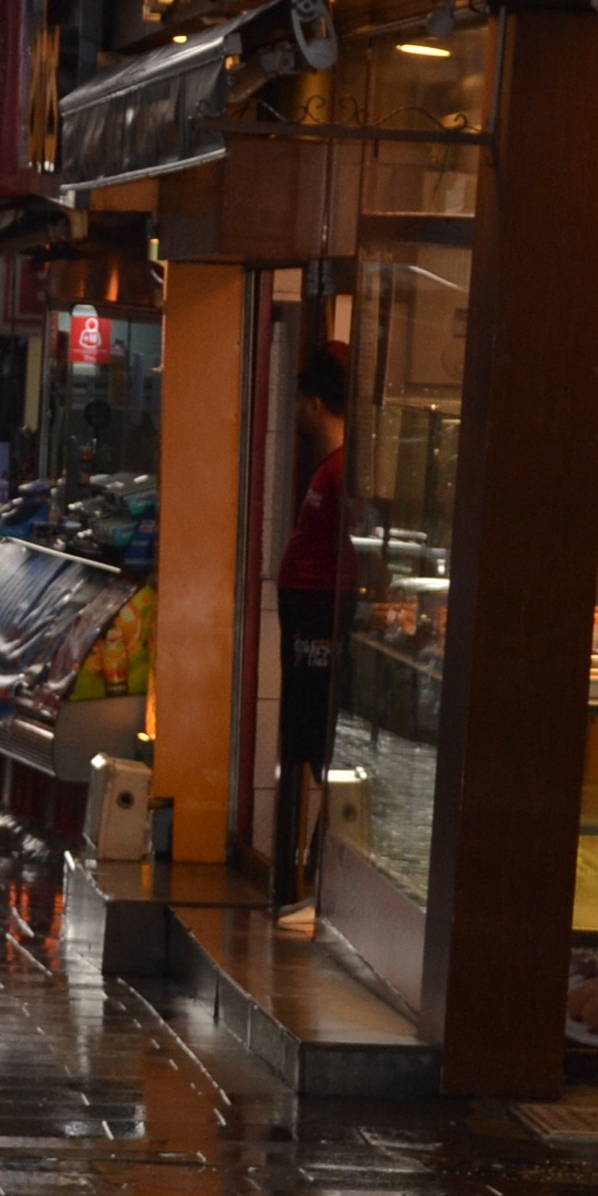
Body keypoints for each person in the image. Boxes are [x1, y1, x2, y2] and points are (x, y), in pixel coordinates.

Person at [276, 346, 352, 905]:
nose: (297, 411)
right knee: (304, 744)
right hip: (309, 624)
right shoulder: (327, 470)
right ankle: (304, 877)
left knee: (318, 747)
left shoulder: (342, 469)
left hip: (321, 625)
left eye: (302, 401)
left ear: (317, 403)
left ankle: (320, 880)